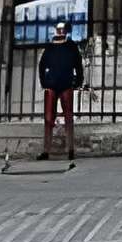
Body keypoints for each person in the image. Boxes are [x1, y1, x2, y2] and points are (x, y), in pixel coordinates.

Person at [37, 18, 85, 163]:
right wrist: (44, 82)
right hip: (52, 84)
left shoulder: (71, 46)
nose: (60, 31)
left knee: (69, 117)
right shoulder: (50, 46)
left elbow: (78, 65)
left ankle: (70, 149)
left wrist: (77, 82)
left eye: (62, 29)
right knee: (48, 118)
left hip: (65, 83)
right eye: (58, 29)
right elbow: (42, 65)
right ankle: (46, 150)